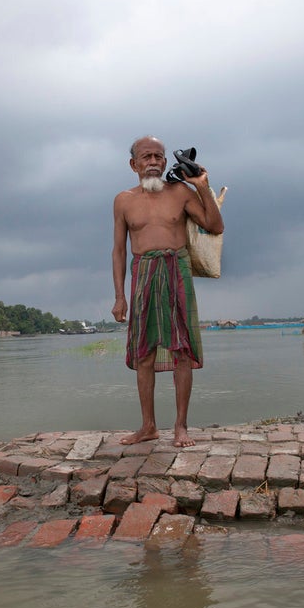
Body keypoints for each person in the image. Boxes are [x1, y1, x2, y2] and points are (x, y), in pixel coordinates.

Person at [111, 136, 224, 448]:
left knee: (182, 351)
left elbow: (216, 226)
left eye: (159, 156)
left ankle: (180, 427)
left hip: (177, 270)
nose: (154, 162)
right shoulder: (123, 200)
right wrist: (119, 296)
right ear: (133, 164)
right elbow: (119, 251)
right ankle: (148, 426)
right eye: (146, 157)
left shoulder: (181, 192)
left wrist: (201, 185)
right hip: (143, 273)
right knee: (143, 352)